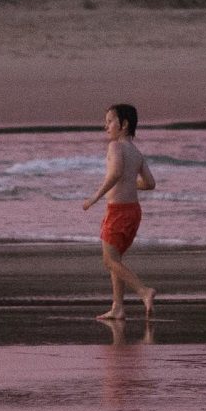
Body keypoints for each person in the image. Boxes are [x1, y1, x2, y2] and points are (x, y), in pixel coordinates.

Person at [79, 103, 156, 322]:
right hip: (133, 212)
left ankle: (143, 291)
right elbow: (150, 183)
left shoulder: (115, 147)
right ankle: (118, 307)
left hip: (118, 212)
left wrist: (95, 196)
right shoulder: (136, 152)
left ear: (124, 125)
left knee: (109, 260)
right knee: (117, 259)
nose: (106, 127)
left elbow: (114, 174)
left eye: (110, 121)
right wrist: (130, 183)